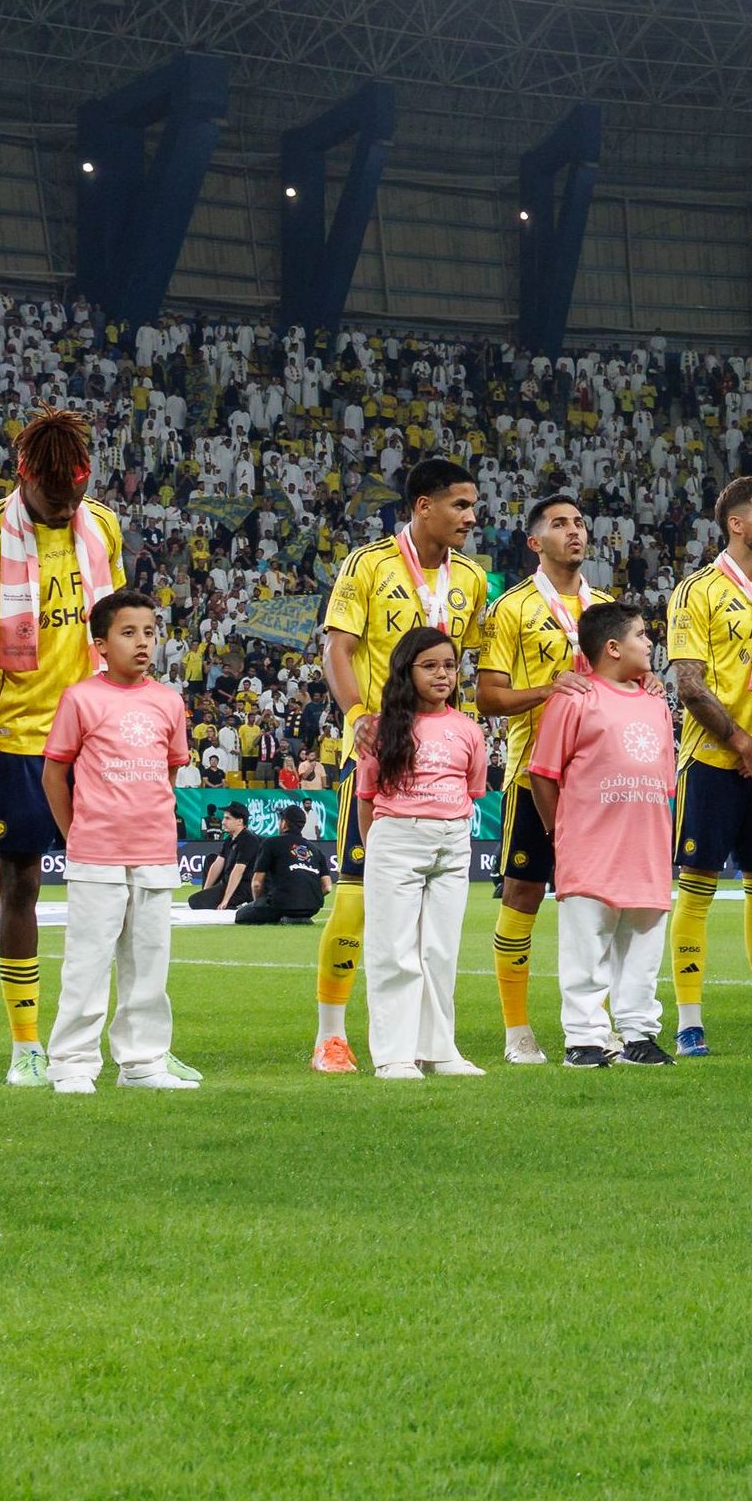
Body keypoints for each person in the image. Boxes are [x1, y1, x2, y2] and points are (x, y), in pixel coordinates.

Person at [0, 409, 128, 1086]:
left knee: (115, 887)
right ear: (25, 478)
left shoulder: (101, 524)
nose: (69, 509)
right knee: (19, 881)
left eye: (77, 495)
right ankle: (26, 1042)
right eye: (57, 500)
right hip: (20, 734)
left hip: (99, 734)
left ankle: (120, 1036)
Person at [314, 455, 492, 1072]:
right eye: (461, 505)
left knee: (438, 933)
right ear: (424, 507)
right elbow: (338, 646)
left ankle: (433, 1044)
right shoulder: (368, 565)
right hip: (379, 752)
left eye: (473, 505)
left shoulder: (471, 578)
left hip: (439, 761)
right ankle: (331, 1035)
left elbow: (468, 663)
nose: (472, 516)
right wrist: (359, 715)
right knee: (358, 898)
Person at [667, 473, 752, 1056]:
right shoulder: (696, 591)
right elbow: (689, 686)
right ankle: (689, 1020)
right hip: (712, 762)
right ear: (736, 524)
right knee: (695, 891)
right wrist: (746, 744)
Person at [40, 588, 195, 1092]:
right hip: (96, 853)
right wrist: (75, 836)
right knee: (87, 963)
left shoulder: (169, 702)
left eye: (149, 632)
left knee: (149, 964)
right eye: (128, 633)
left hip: (153, 850)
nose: (142, 642)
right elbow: (53, 774)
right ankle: (72, 1064)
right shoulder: (80, 698)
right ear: (101, 644)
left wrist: (149, 823)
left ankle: (143, 1062)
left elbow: (168, 775)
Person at [523, 600, 680, 1067]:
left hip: (647, 846)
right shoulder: (573, 699)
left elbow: (663, 780)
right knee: (586, 948)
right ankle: (585, 1038)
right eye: (641, 635)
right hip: (590, 848)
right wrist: (561, 832)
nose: (650, 642)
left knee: (643, 947)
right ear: (613, 648)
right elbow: (542, 773)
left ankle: (637, 1034)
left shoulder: (655, 700)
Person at [475, 491, 603, 1063]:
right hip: (534, 776)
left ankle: (599, 1024)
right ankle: (516, 1029)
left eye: (579, 522)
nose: (574, 531)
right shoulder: (513, 608)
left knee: (604, 900)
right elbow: (487, 696)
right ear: (535, 542)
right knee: (524, 893)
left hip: (599, 780)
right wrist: (548, 689)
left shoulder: (606, 610)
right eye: (559, 524)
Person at [350, 621, 491, 1081]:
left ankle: (439, 1049)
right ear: (405, 672)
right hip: (397, 839)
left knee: (440, 951)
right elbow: (367, 798)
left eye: (449, 665)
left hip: (452, 841)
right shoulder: (378, 729)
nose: (442, 675)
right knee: (393, 949)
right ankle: (394, 1054)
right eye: (429, 665)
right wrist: (378, 851)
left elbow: (472, 790)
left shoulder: (469, 730)